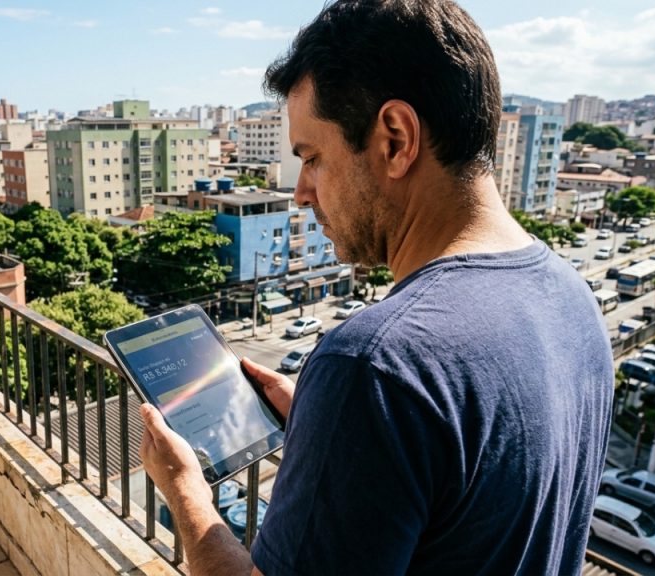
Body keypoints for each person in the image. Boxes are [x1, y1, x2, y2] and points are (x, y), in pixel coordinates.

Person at [138, 1, 614, 574]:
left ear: (394, 139)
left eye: (312, 158)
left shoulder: (376, 366)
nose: (302, 194)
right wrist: (328, 423)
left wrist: (186, 494)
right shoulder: (571, 295)